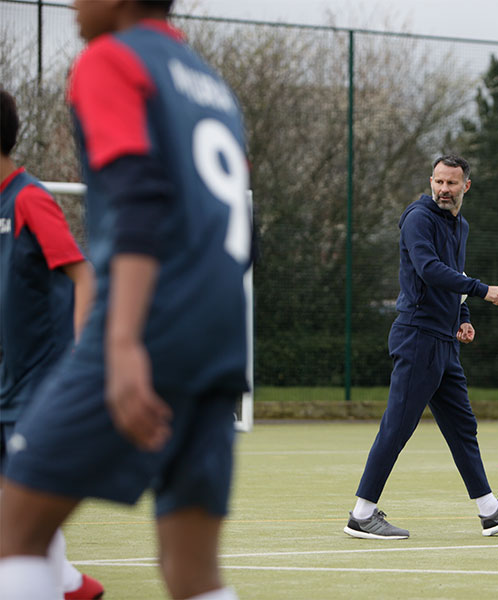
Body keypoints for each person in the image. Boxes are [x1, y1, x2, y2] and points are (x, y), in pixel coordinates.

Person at [0, 1, 252, 599]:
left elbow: (139, 201)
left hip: (146, 327)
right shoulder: (207, 82)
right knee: (193, 571)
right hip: (217, 339)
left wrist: (120, 340)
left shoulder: (110, 60)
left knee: (15, 528)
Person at [344, 154, 498, 540]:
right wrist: (481, 290)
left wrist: (463, 318)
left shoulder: (459, 225)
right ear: (430, 181)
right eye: (438, 182)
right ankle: (361, 514)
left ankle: (490, 511)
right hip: (417, 338)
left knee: (462, 426)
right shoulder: (419, 218)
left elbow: (455, 276)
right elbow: (428, 268)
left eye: (451, 184)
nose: (443, 190)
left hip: (444, 342)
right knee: (397, 428)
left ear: (466, 186)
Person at [0, 90, 104, 600]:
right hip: (7, 383)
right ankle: (70, 583)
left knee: (19, 517)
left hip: (38, 387)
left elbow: (84, 277)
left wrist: (84, 361)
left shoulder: (27, 199)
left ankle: (61, 583)